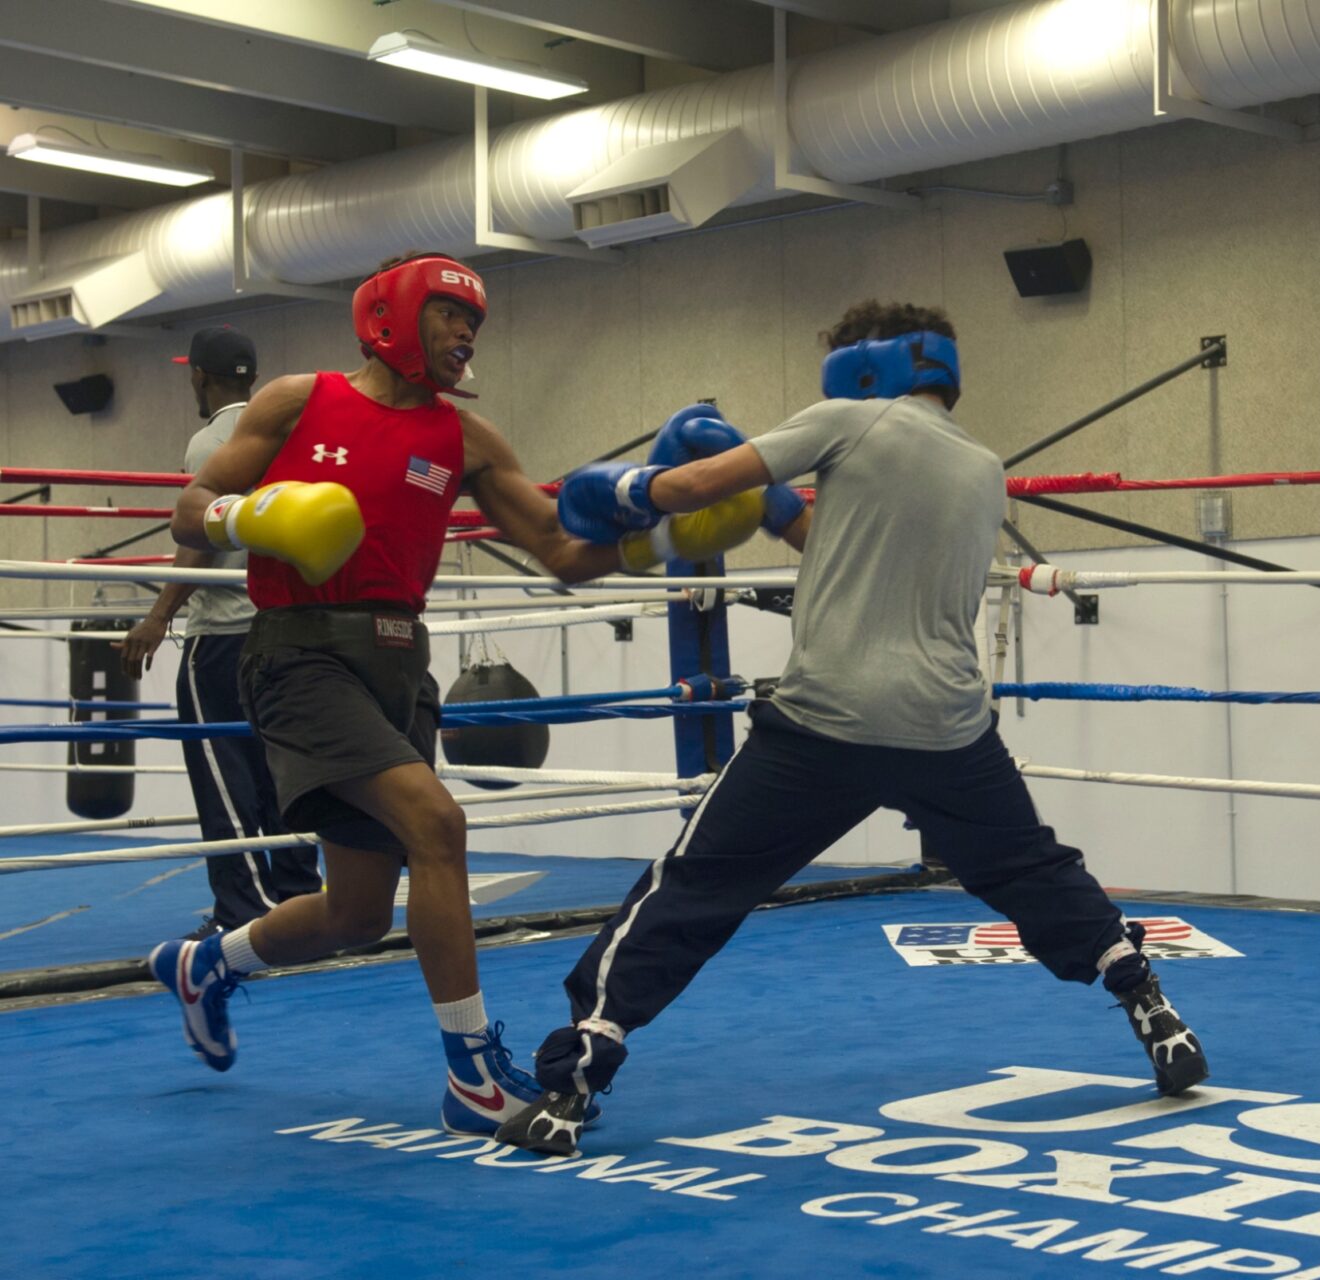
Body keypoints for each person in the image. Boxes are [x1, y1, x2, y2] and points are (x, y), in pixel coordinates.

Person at [497, 300, 1208, 1158]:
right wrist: (770, 506)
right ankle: (1150, 1006)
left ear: (865, 367)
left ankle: (572, 1086)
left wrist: (612, 489)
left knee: (695, 884)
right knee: (1031, 869)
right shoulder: (985, 466)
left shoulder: (846, 420)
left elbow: (684, 488)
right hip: (948, 727)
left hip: (826, 722)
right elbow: (835, 542)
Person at [144, 252, 782, 1134]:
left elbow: (562, 553)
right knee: (437, 824)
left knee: (358, 913)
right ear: (390, 316)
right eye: (449, 313)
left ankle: (208, 964)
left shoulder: (466, 441)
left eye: (474, 322)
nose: (465, 333)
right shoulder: (299, 400)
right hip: (299, 655)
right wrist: (249, 516)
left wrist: (667, 542)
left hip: (401, 664)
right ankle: (475, 1077)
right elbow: (191, 506)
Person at [120, 327, 322, 939]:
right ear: (252, 377)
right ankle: (298, 901)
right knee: (284, 771)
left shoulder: (212, 441)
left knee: (224, 775)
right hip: (289, 631)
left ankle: (245, 912)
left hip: (225, 638)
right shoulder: (297, 433)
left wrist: (158, 617)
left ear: (199, 377)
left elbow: (199, 541)